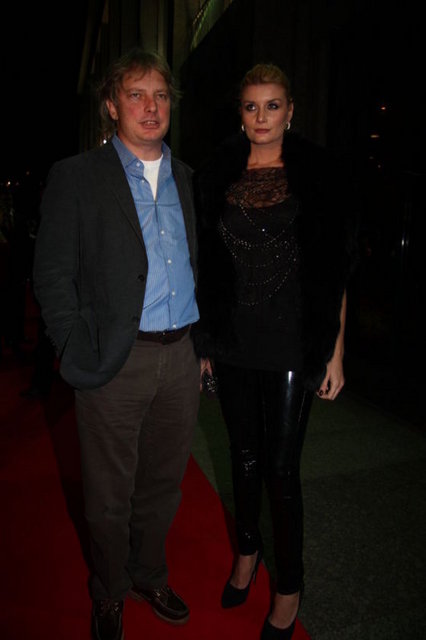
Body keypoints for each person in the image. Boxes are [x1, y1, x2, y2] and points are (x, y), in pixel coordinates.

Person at [33, 48, 201, 640]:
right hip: (114, 360)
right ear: (111, 105)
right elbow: (52, 272)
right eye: (135, 94)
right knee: (108, 496)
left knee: (163, 485)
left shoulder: (186, 177)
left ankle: (148, 574)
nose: (150, 107)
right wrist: (72, 343)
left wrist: (203, 345)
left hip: (181, 358)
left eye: (160, 95)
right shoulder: (77, 176)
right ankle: (108, 590)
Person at [193, 63, 356, 639]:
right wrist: (208, 342)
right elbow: (207, 264)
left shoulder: (319, 174)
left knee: (282, 469)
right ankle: (247, 552)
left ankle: (289, 585)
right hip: (234, 339)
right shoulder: (217, 173)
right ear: (240, 114)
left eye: (272, 105)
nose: (261, 117)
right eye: (251, 106)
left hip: (291, 340)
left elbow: (334, 269)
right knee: (242, 455)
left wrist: (335, 351)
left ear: (290, 111)